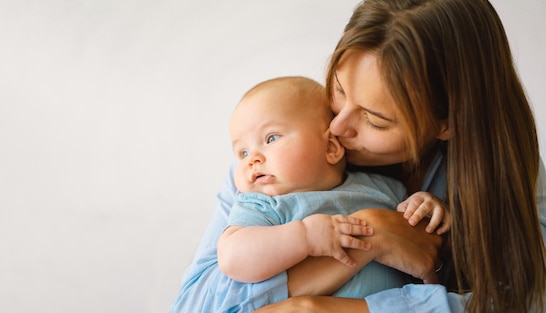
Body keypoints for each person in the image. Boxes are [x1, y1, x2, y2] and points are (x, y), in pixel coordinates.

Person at [252, 0, 546, 312]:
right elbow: (204, 298)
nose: (337, 126)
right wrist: (372, 232)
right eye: (339, 89)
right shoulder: (280, 154)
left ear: (446, 124)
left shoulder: (508, 174)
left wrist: (338, 309)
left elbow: (529, 298)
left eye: (375, 120)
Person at [219, 76, 448, 287]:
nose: (253, 160)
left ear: (330, 147)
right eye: (243, 153)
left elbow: (418, 240)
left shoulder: (382, 187)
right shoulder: (263, 205)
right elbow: (232, 258)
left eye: (271, 138)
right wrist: (305, 236)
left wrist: (423, 207)